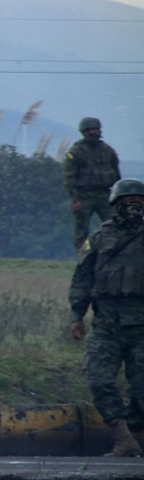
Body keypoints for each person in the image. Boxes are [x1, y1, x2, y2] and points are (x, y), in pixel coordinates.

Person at [68, 177, 144, 458]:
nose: (133, 206)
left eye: (139, 201)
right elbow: (82, 278)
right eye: (127, 202)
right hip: (107, 323)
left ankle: (135, 437)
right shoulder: (100, 237)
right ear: (115, 205)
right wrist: (77, 314)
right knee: (98, 379)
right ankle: (122, 437)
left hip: (141, 325)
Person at [64, 116, 120, 254]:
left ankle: (113, 252)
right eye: (90, 130)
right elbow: (69, 177)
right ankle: (82, 256)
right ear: (84, 132)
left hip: (104, 195)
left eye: (96, 129)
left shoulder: (108, 151)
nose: (94, 133)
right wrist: (75, 199)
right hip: (84, 196)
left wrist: (118, 196)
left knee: (114, 224)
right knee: (82, 230)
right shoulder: (76, 152)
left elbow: (116, 173)